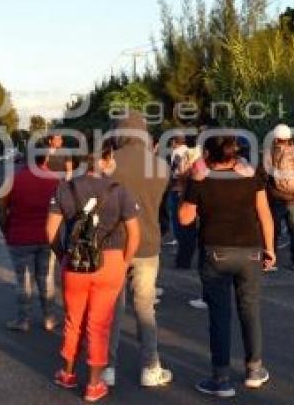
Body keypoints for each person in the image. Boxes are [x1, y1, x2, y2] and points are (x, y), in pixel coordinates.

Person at [180, 135, 276, 398]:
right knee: (250, 309)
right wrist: (270, 248)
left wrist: (186, 184)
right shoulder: (251, 175)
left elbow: (185, 218)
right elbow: (264, 213)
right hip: (251, 250)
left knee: (219, 315)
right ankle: (254, 370)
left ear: (208, 153)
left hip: (216, 251)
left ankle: (221, 379)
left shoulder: (201, 179)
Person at [47, 140, 141, 403]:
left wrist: (62, 255)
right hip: (110, 263)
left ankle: (66, 374)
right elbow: (134, 234)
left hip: (74, 263)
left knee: (72, 320)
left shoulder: (64, 189)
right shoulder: (120, 190)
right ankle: (93, 384)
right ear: (104, 160)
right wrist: (125, 262)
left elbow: (50, 232)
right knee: (99, 325)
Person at [104, 111, 173, 388]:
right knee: (145, 308)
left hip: (112, 245)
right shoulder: (160, 167)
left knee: (112, 308)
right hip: (147, 244)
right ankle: (150, 366)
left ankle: (107, 367)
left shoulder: (107, 165)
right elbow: (161, 209)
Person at [0, 146, 60, 331]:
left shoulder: (12, 180)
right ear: (45, 159)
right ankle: (49, 319)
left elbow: (0, 210)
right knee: (46, 278)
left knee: (24, 281)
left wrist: (6, 230)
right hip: (48, 237)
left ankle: (23, 320)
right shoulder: (56, 180)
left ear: (26, 160)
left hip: (19, 237)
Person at [268, 124, 294, 271]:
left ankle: (270, 261)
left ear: (276, 138)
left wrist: (272, 191)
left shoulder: (272, 153)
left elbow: (265, 175)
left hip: (278, 196)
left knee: (273, 228)